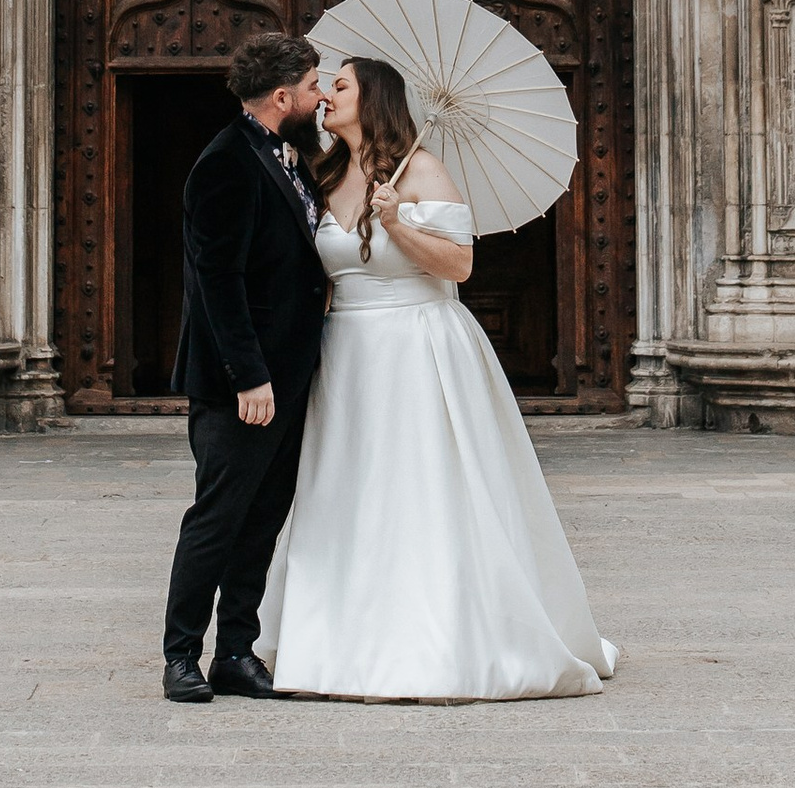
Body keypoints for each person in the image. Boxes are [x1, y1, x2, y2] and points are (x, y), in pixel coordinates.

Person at [258, 52, 617, 701]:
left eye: (341, 87)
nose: (327, 95)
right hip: (345, 359)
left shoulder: (421, 169)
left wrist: (395, 219)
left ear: (376, 101)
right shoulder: (323, 171)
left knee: (420, 488)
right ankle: (332, 635)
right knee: (344, 490)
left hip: (417, 348)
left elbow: (457, 265)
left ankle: (436, 635)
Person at [160, 31, 330, 704]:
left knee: (262, 518)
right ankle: (180, 657)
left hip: (289, 378)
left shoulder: (289, 156)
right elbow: (217, 282)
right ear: (283, 94)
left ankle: (236, 649)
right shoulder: (226, 162)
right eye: (315, 87)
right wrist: (248, 377)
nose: (320, 99)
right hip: (245, 385)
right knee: (218, 517)